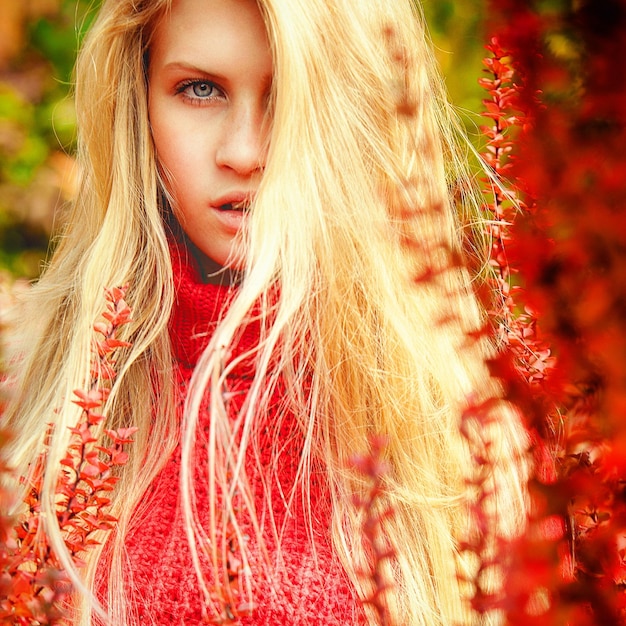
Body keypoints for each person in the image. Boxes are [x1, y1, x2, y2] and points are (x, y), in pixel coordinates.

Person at [2, 0, 528, 624]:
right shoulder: (39, 415)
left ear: (359, 112)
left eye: (291, 95)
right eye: (199, 89)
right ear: (136, 103)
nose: (245, 152)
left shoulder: (467, 440)